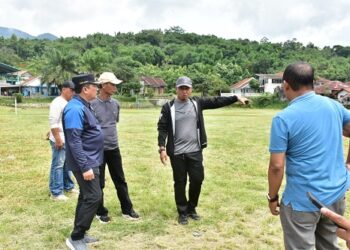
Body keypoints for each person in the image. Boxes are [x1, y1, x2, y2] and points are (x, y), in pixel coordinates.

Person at [267, 62, 350, 249]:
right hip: (336, 194)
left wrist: (272, 197)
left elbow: (276, 166)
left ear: (286, 85)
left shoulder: (283, 118)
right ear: (312, 83)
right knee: (329, 245)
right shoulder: (333, 106)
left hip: (302, 201)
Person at [157, 76, 248, 225]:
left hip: (195, 151)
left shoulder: (196, 103)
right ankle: (182, 212)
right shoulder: (168, 107)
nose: (184, 91)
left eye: (187, 88)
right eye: (182, 88)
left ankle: (192, 208)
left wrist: (236, 97)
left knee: (197, 180)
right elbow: (162, 128)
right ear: (177, 89)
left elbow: (216, 101)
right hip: (177, 153)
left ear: (191, 89)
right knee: (180, 182)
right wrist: (162, 148)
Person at [90, 72, 139, 223]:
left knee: (120, 180)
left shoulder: (115, 104)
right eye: (113, 84)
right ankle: (100, 212)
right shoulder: (91, 104)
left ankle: (127, 209)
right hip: (98, 150)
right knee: (99, 182)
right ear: (103, 85)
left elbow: (113, 123)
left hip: (114, 147)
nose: (115, 88)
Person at [63, 73, 104, 250]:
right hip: (85, 162)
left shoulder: (84, 105)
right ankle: (76, 237)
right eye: (95, 86)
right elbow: (74, 140)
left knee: (86, 196)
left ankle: (80, 233)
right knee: (94, 197)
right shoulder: (74, 108)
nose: (97, 88)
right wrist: (85, 166)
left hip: (91, 159)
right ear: (86, 88)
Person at [48, 80, 77, 201]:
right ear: (64, 89)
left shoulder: (67, 102)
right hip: (59, 139)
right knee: (58, 165)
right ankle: (56, 192)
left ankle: (68, 186)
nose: (73, 93)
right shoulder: (57, 102)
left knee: (67, 164)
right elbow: (53, 122)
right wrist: (58, 139)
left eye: (74, 91)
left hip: (67, 139)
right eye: (71, 90)